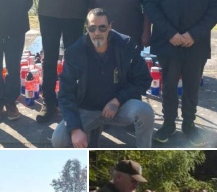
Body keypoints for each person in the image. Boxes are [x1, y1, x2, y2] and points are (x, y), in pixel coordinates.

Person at [146, 0, 217, 146]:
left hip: (195, 44)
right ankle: (168, 124)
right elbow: (150, 5)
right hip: (167, 42)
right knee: (168, 87)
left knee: (191, 87)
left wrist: (194, 34)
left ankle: (189, 124)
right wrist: (170, 34)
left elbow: (216, 8)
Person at [51, 8, 154, 148]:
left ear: (110, 26)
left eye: (102, 27)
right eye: (92, 28)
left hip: (119, 108)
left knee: (145, 111)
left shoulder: (126, 45)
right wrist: (75, 129)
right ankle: (91, 135)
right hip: (86, 110)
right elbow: (65, 94)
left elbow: (143, 79)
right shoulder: (75, 52)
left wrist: (118, 100)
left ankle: (144, 151)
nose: (97, 33)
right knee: (59, 139)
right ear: (87, 28)